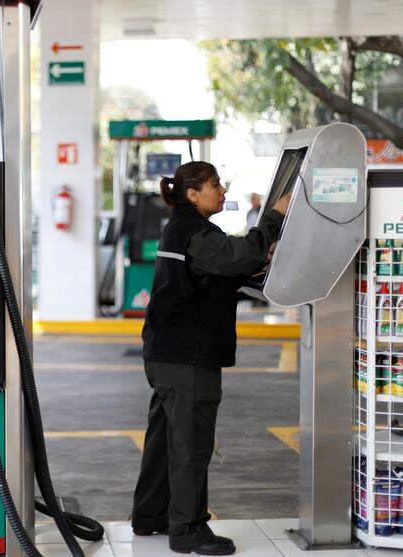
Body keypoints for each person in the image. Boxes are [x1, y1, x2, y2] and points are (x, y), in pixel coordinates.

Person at [131, 161, 290, 555]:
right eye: (215, 184)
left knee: (165, 440)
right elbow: (238, 255)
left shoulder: (182, 228)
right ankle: (188, 530)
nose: (222, 190)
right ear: (192, 194)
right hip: (188, 357)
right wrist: (275, 217)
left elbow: (226, 265)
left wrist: (252, 261)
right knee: (191, 443)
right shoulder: (196, 233)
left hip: (166, 352)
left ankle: (150, 516)